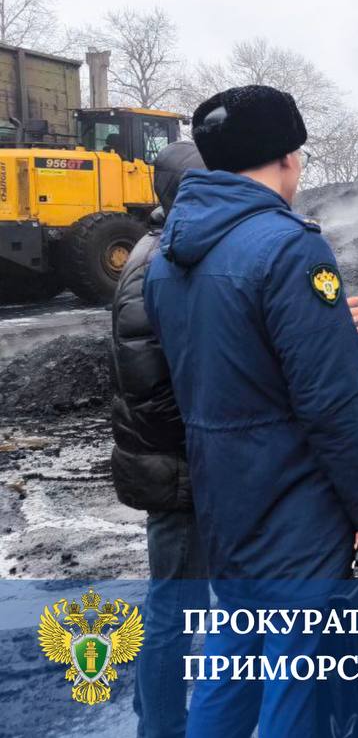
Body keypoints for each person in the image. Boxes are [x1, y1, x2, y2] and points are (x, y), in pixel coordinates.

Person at [143, 85, 358, 737]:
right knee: (299, 675)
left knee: (233, 656)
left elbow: (222, 360)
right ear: (287, 157)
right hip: (294, 501)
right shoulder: (291, 248)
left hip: (224, 496)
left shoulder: (170, 256)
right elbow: (333, 404)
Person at [110, 140, 208, 738]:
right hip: (176, 471)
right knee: (174, 609)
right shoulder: (159, 263)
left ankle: (159, 717)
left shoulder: (159, 249)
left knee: (178, 603)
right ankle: (163, 728)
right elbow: (154, 392)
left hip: (169, 465)